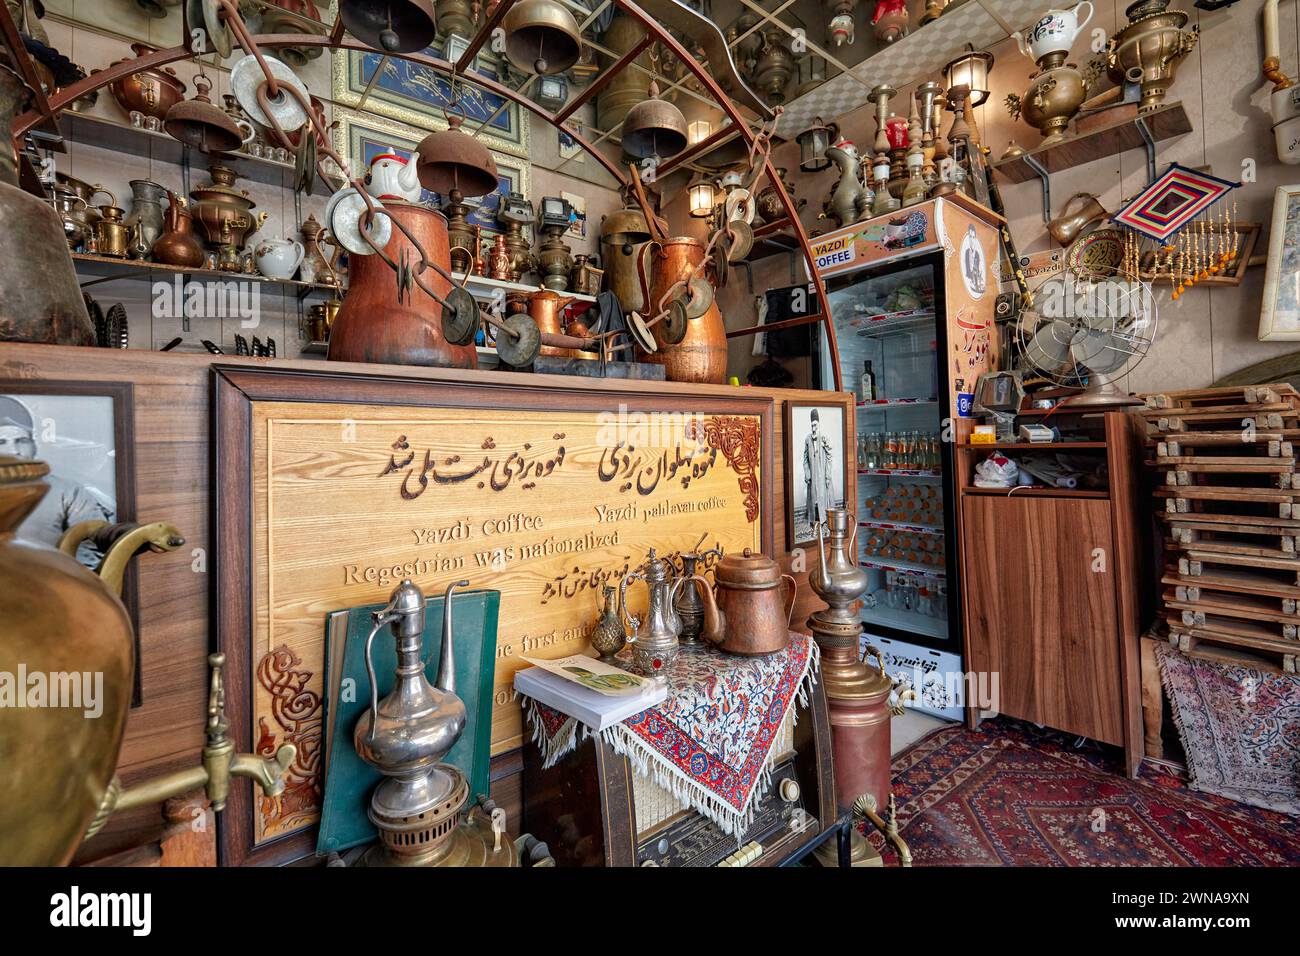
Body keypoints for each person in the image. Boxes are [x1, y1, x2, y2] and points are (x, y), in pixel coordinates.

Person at [0, 395, 114, 553]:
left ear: (34, 445)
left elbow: (94, 541)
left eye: (22, 441)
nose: (14, 450)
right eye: (1, 442)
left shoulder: (67, 491)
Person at [803, 408, 835, 528]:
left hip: (822, 472)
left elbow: (830, 455)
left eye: (815, 425)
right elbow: (805, 458)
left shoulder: (824, 438)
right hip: (813, 472)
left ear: (819, 424)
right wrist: (807, 474)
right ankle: (814, 521)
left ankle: (825, 520)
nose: (813, 428)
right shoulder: (807, 439)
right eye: (812, 426)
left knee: (824, 495)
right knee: (813, 497)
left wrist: (827, 475)